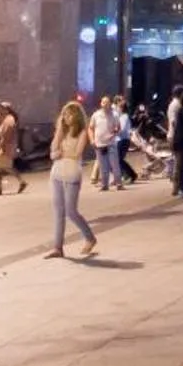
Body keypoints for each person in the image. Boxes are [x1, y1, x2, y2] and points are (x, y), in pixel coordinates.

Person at [45, 102, 99, 260]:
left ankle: (90, 237)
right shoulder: (61, 132)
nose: (65, 117)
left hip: (72, 174)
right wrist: (59, 134)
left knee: (71, 211)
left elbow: (77, 153)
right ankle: (58, 247)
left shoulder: (81, 132)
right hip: (56, 173)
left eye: (68, 114)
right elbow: (52, 153)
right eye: (64, 114)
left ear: (75, 116)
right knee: (58, 212)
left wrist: (60, 153)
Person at [90, 95, 125, 192]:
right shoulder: (96, 115)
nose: (105, 104)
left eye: (107, 103)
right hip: (99, 144)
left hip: (111, 143)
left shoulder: (114, 115)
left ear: (110, 104)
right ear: (101, 104)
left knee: (114, 164)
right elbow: (91, 128)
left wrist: (114, 132)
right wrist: (92, 140)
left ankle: (119, 183)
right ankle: (104, 185)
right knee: (103, 165)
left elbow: (118, 127)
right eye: (103, 102)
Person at [0, 105, 24, 196]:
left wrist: (2, 147)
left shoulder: (9, 120)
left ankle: (21, 181)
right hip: (5, 147)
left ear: (6, 109)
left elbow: (6, 136)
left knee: (4, 167)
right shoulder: (8, 119)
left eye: (0, 109)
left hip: (4, 147)